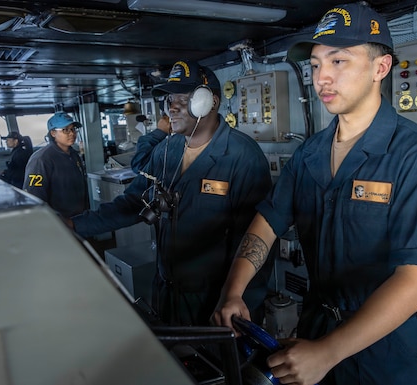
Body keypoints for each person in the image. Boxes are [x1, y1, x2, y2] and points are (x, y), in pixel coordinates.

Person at [211, 3, 417, 385]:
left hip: (383, 354)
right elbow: (267, 223)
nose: (321, 77)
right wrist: (233, 290)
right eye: (314, 64)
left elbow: (415, 281)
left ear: (380, 68)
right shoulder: (310, 154)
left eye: (338, 61)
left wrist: (328, 352)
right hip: (316, 331)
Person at [70, 60, 274, 327]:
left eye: (183, 97)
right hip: (167, 291)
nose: (172, 106)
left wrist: (239, 303)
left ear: (210, 101)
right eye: (170, 98)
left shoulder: (242, 156)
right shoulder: (167, 150)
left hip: (214, 302)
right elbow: (134, 202)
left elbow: (255, 240)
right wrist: (75, 224)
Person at [24, 113, 88, 218]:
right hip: (59, 221)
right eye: (66, 130)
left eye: (73, 129)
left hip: (79, 218)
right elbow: (34, 195)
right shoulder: (41, 159)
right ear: (53, 133)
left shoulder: (74, 155)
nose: (72, 133)